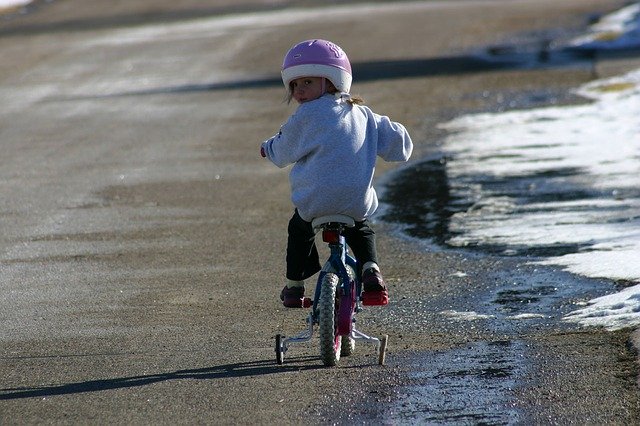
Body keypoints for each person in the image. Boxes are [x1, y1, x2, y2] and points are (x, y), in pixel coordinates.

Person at [260, 39, 413, 308]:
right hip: (355, 202)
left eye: (307, 82)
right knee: (361, 228)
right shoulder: (364, 115)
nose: (299, 91)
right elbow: (399, 144)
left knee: (299, 230)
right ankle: (371, 271)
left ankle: (295, 287)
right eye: (294, 85)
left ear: (332, 81)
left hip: (314, 203)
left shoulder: (305, 116)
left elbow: (282, 151)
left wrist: (267, 148)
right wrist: (401, 139)